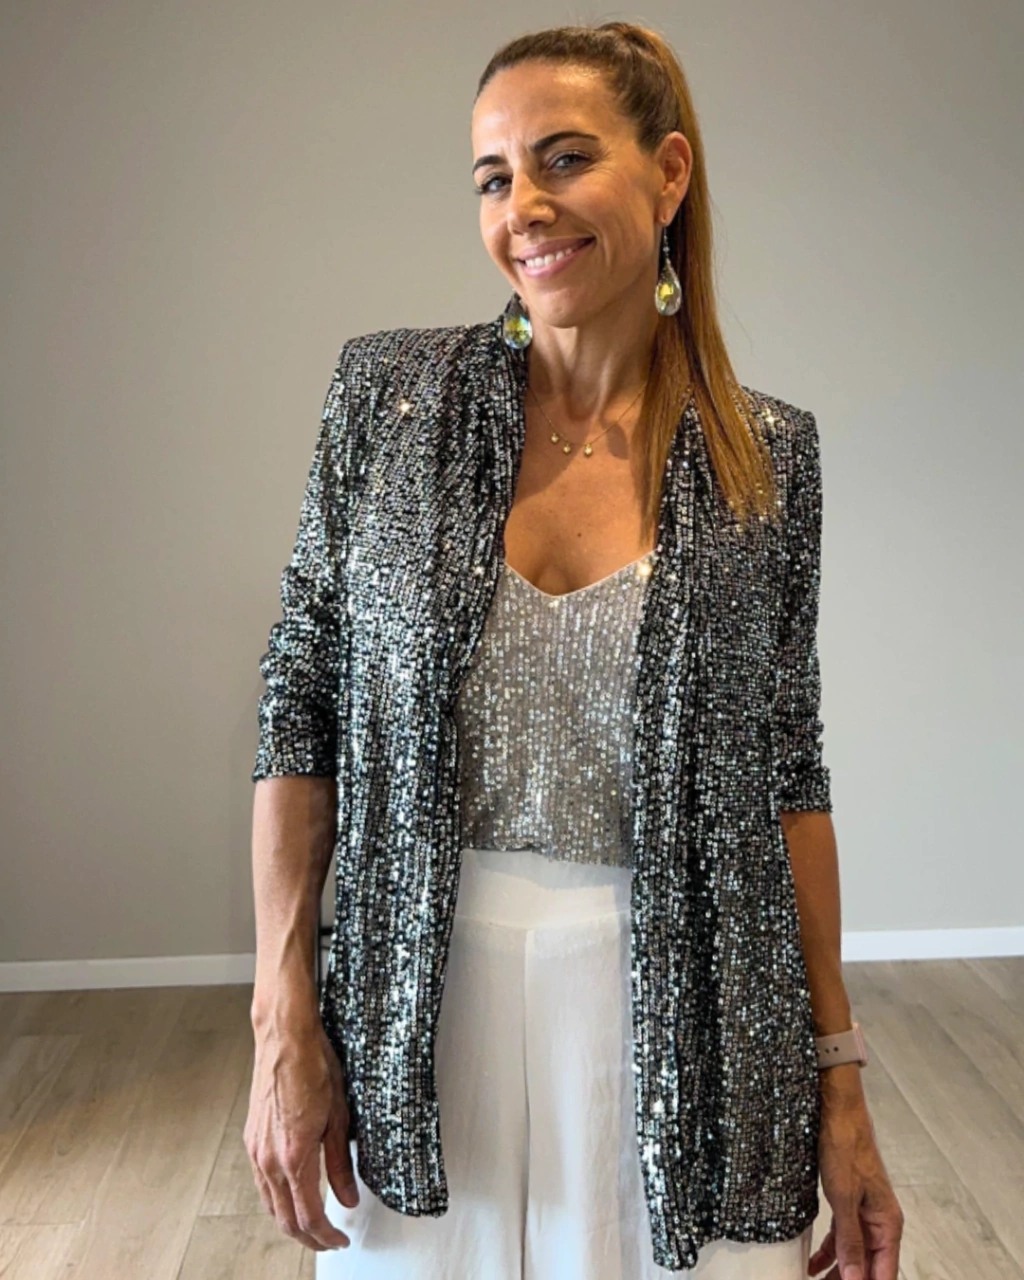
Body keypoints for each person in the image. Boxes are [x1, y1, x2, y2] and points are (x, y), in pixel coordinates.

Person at [245, 20, 904, 1280]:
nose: (524, 208)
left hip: (692, 1017)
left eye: (563, 159)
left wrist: (841, 1083)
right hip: (414, 1003)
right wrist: (283, 1015)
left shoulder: (767, 457)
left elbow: (789, 773)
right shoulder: (387, 401)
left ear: (668, 173)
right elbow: (299, 702)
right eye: (493, 178)